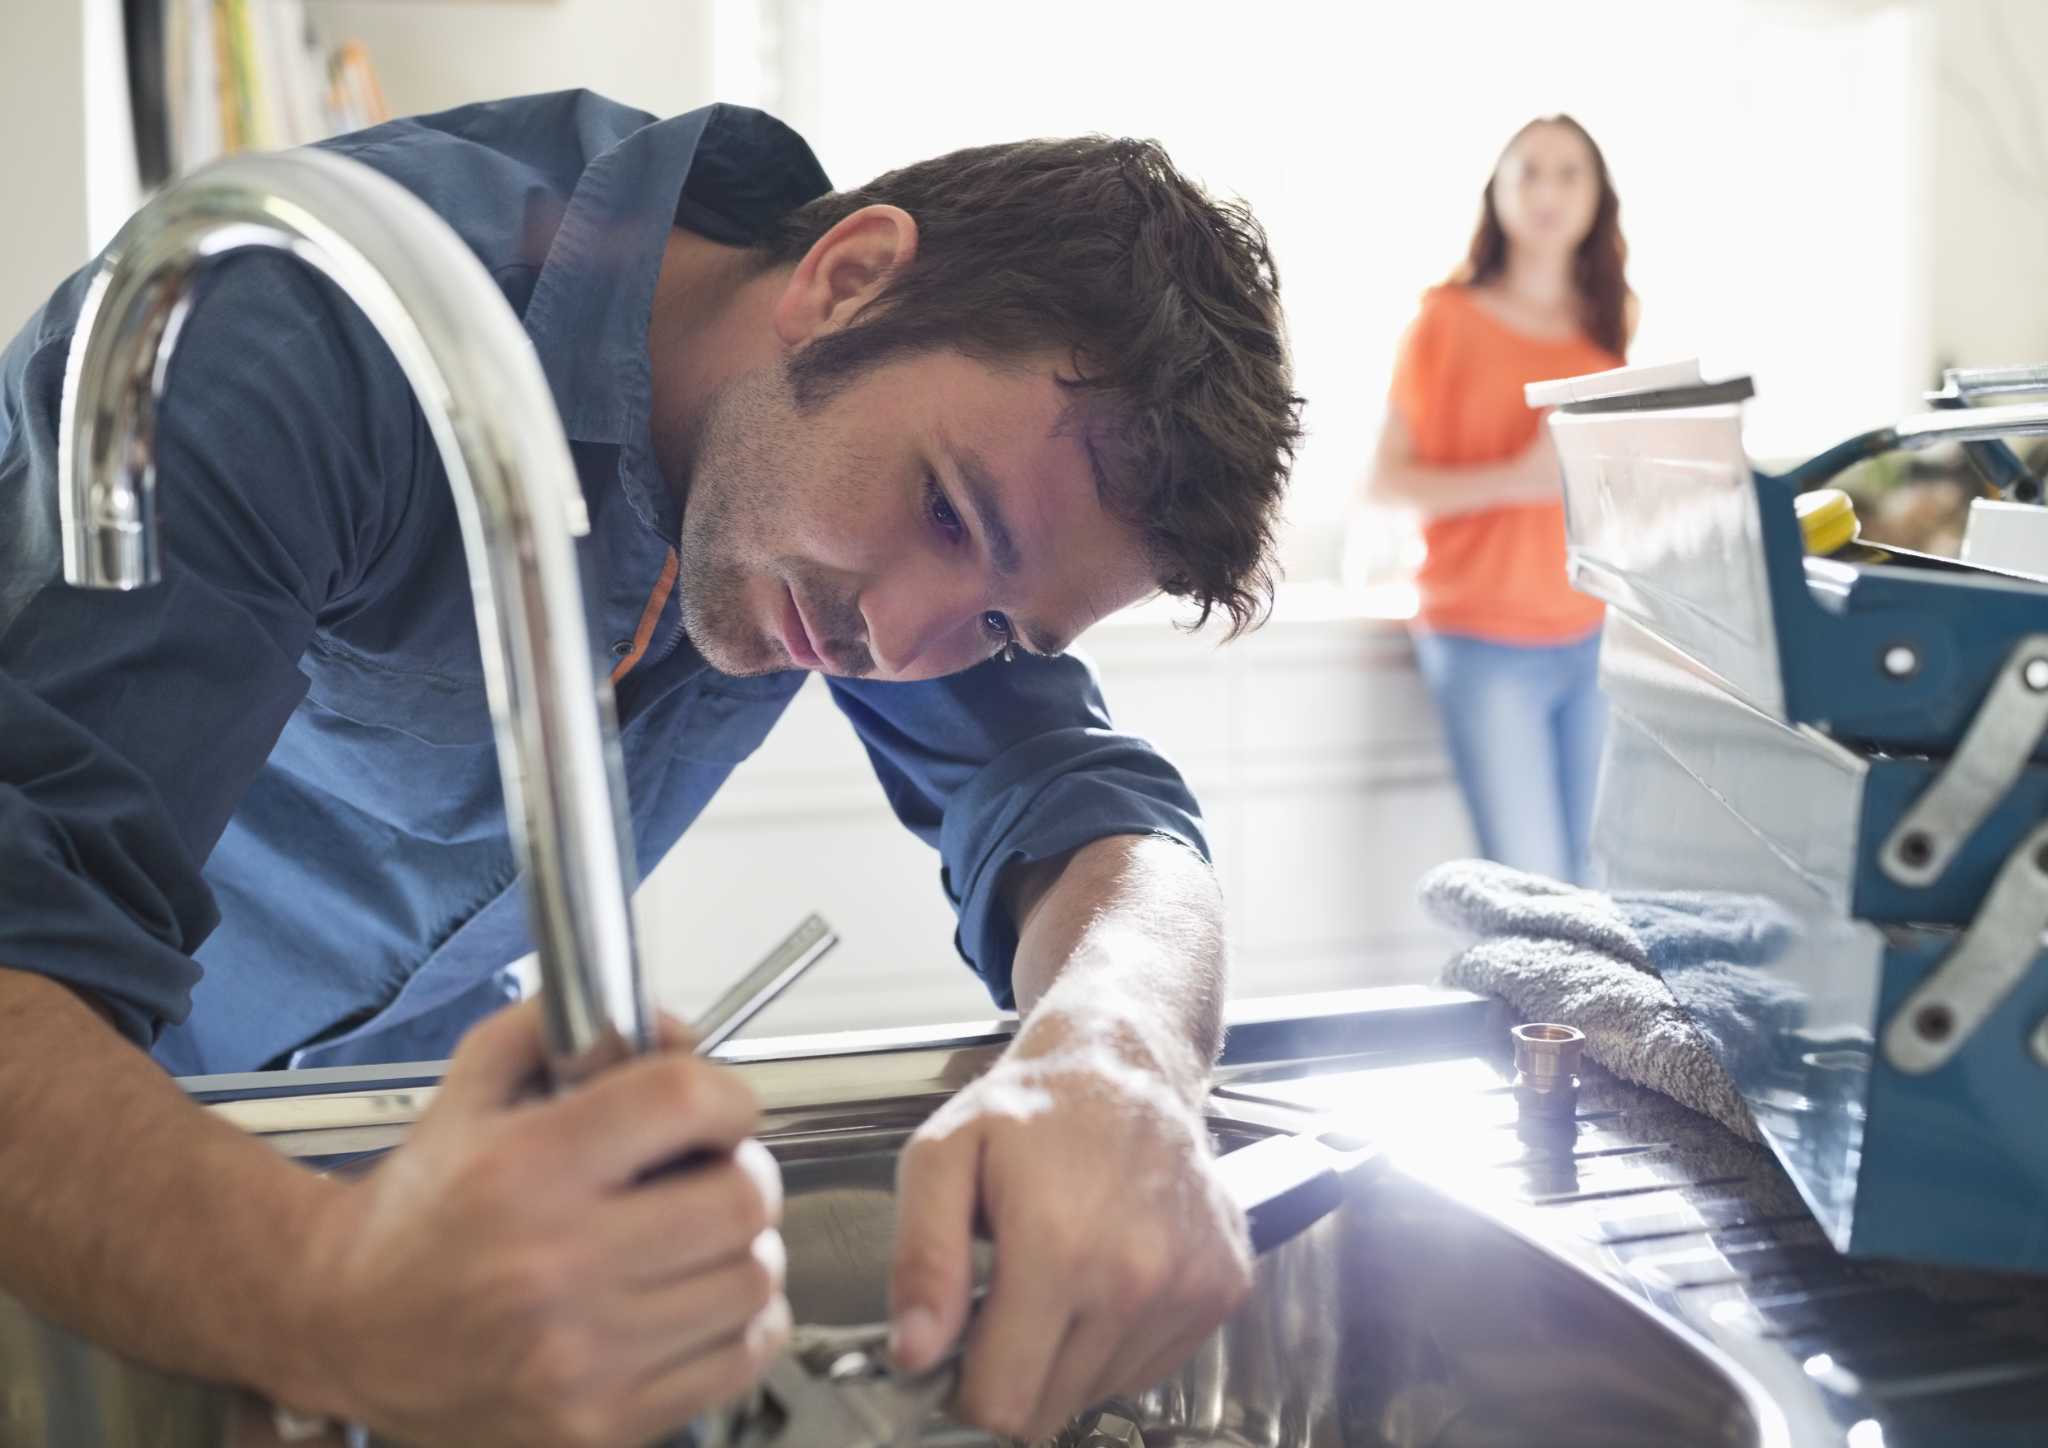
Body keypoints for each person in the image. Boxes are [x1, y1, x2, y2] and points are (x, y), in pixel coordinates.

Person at [0, 94, 1301, 1446]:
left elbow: (1092, 810)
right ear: (847, 281)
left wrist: (1124, 1050)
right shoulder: (305, 334)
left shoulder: (884, 483)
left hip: (389, 1084)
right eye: (941, 510)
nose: (901, 640)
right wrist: (328, 1292)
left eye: (997, 625)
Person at [1366, 114, 1633, 887]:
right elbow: (1385, 483)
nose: (1547, 191)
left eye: (1568, 172)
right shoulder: (1443, 320)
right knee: (1533, 888)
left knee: (1595, 886)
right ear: (1498, 193)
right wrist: (1518, 479)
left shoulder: (1608, 325)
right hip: (1483, 641)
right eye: (1529, 171)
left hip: (1590, 634)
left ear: (1597, 196)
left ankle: (1590, 1019)